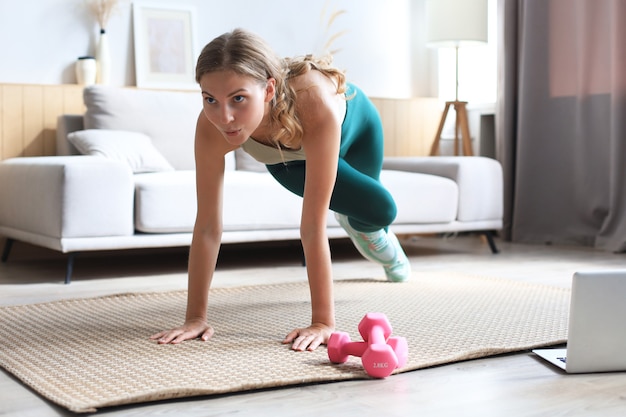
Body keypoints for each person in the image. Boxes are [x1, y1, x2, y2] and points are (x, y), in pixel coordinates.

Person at [150, 28, 411, 352]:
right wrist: (195, 317)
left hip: (356, 128)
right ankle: (365, 229)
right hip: (290, 161)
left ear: (269, 89)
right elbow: (206, 226)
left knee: (380, 211)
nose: (224, 117)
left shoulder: (313, 102)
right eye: (210, 99)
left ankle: (363, 230)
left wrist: (322, 323)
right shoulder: (210, 128)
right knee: (370, 208)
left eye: (239, 98)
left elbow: (313, 227)